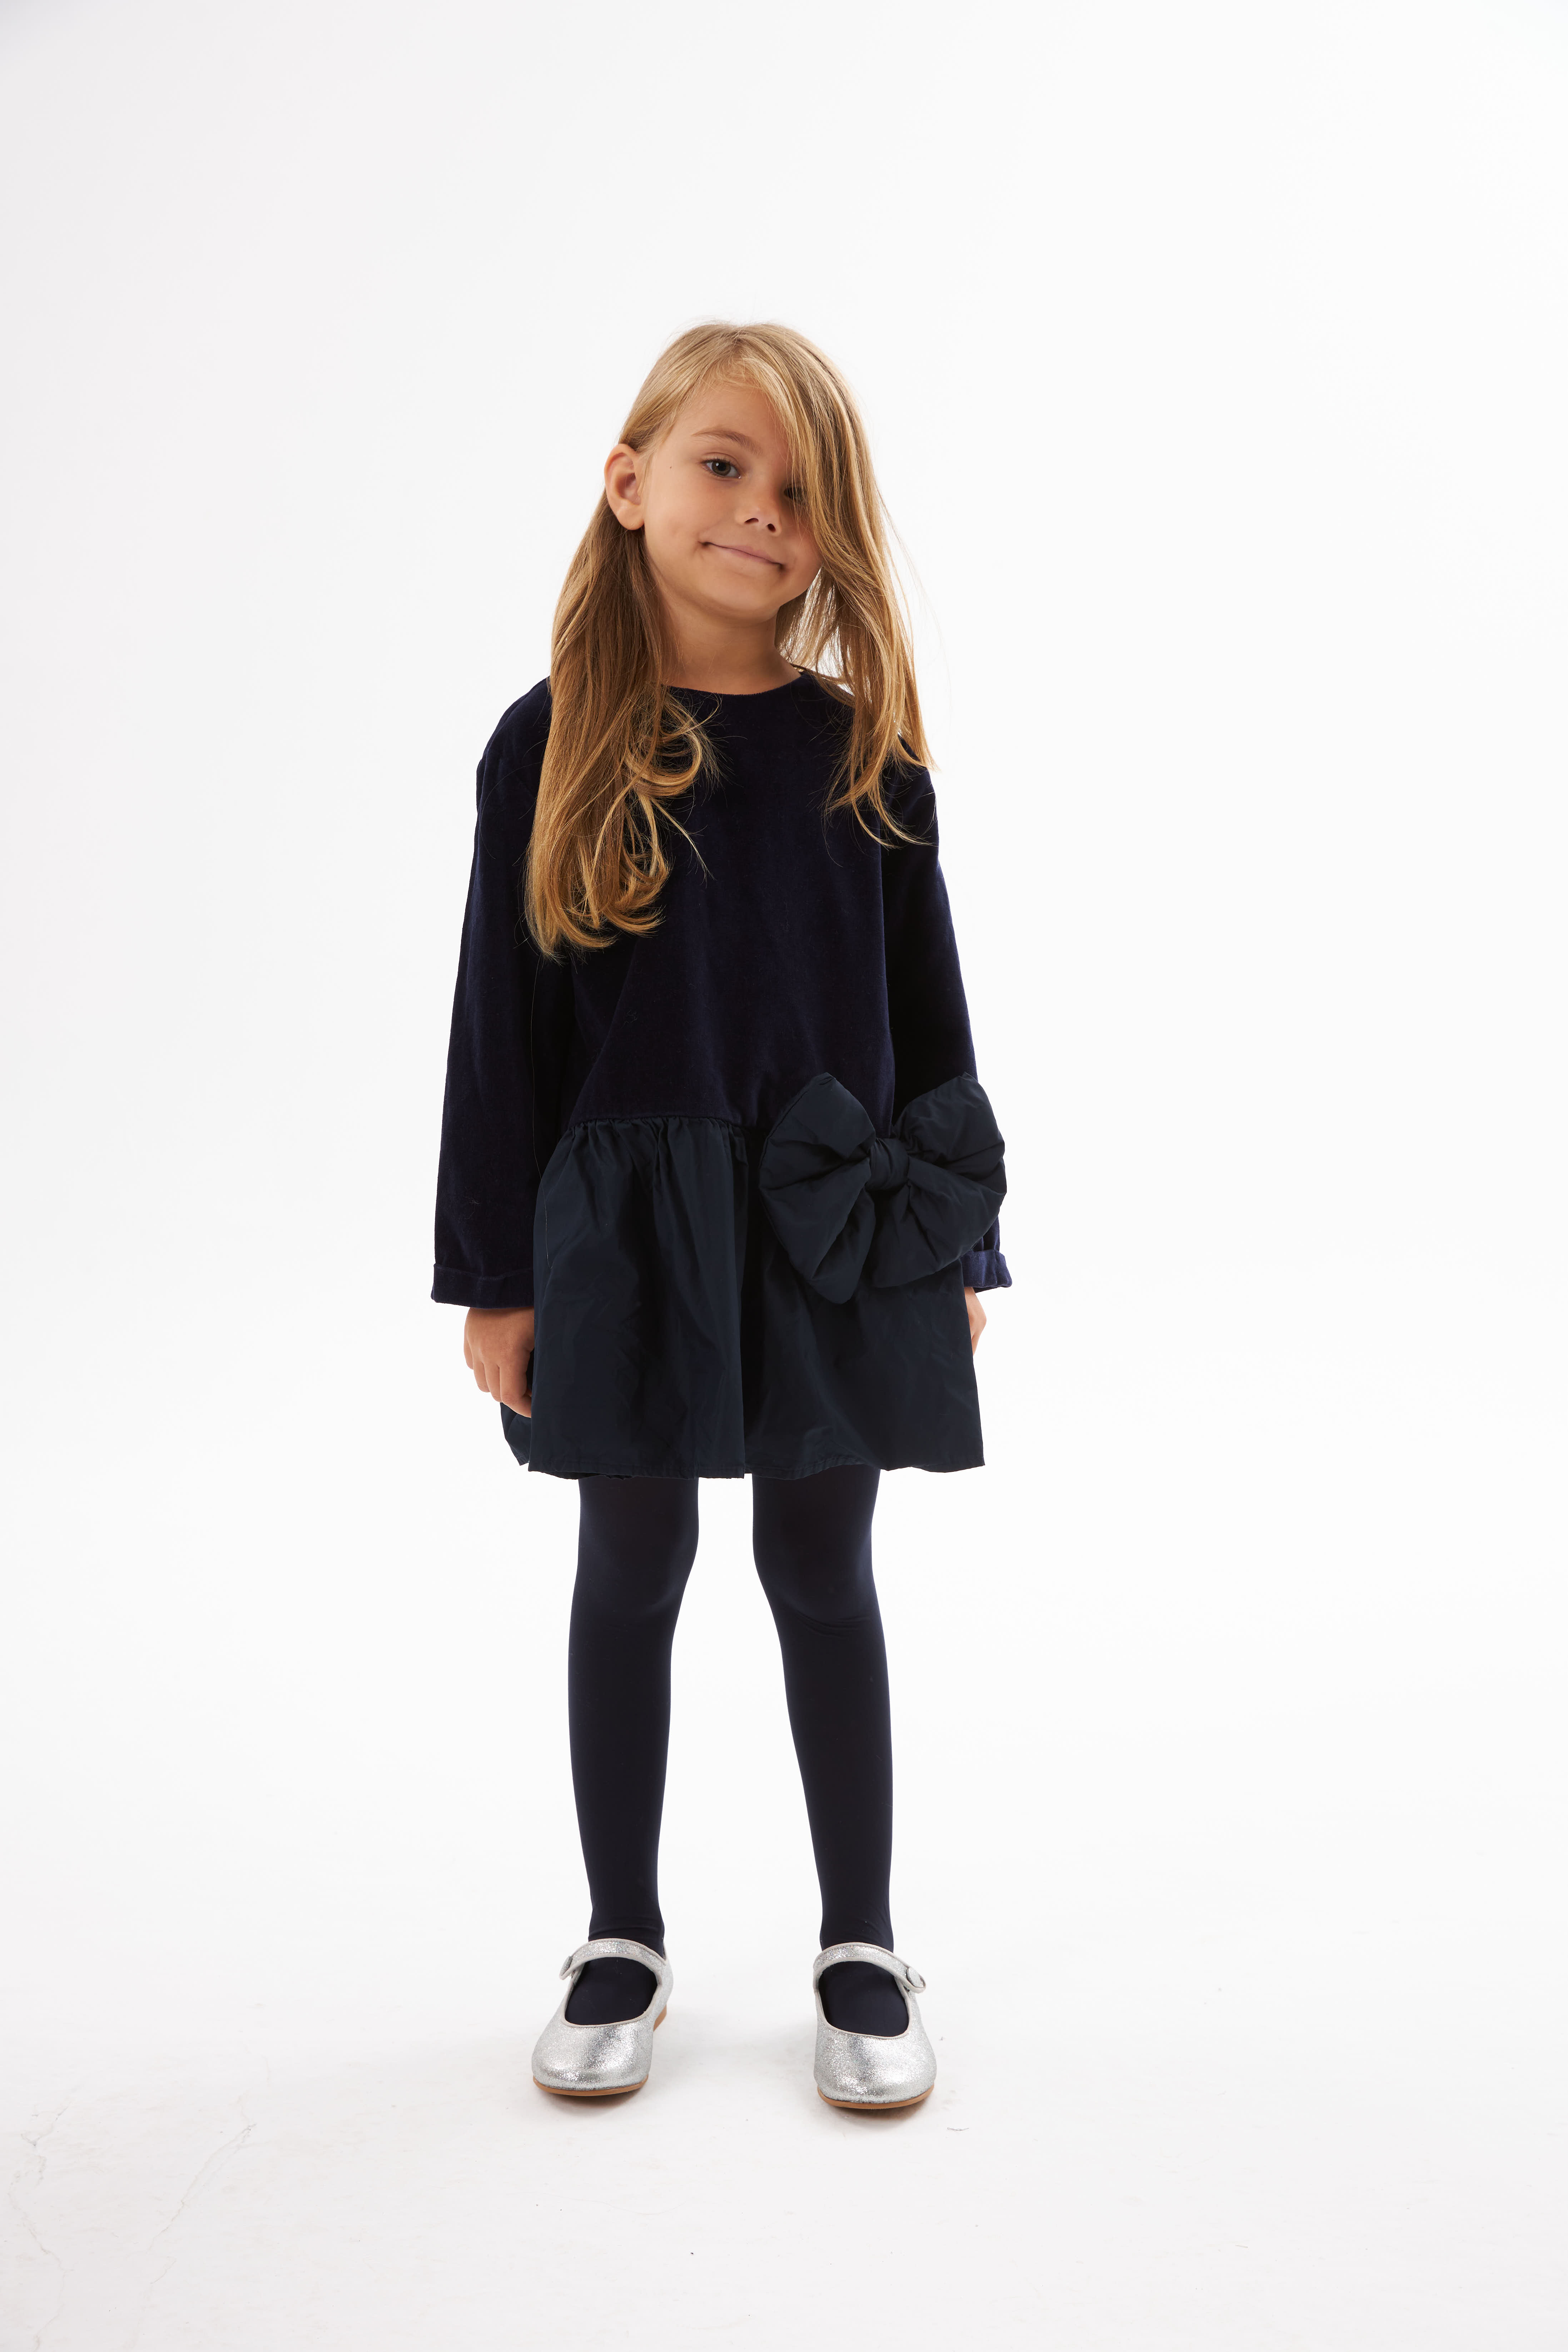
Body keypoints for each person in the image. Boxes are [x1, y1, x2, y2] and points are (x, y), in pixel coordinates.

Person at [432, 322, 1009, 2109]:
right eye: (721, 465)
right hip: (626, 1235)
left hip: (830, 1223)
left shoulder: (865, 755)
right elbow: (497, 1032)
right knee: (631, 1566)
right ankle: (620, 1930)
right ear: (628, 484)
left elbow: (929, 1015)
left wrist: (956, 1245)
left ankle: (860, 1938)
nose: (761, 510)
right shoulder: (548, 743)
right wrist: (494, 1277)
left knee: (820, 1567)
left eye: (800, 492)